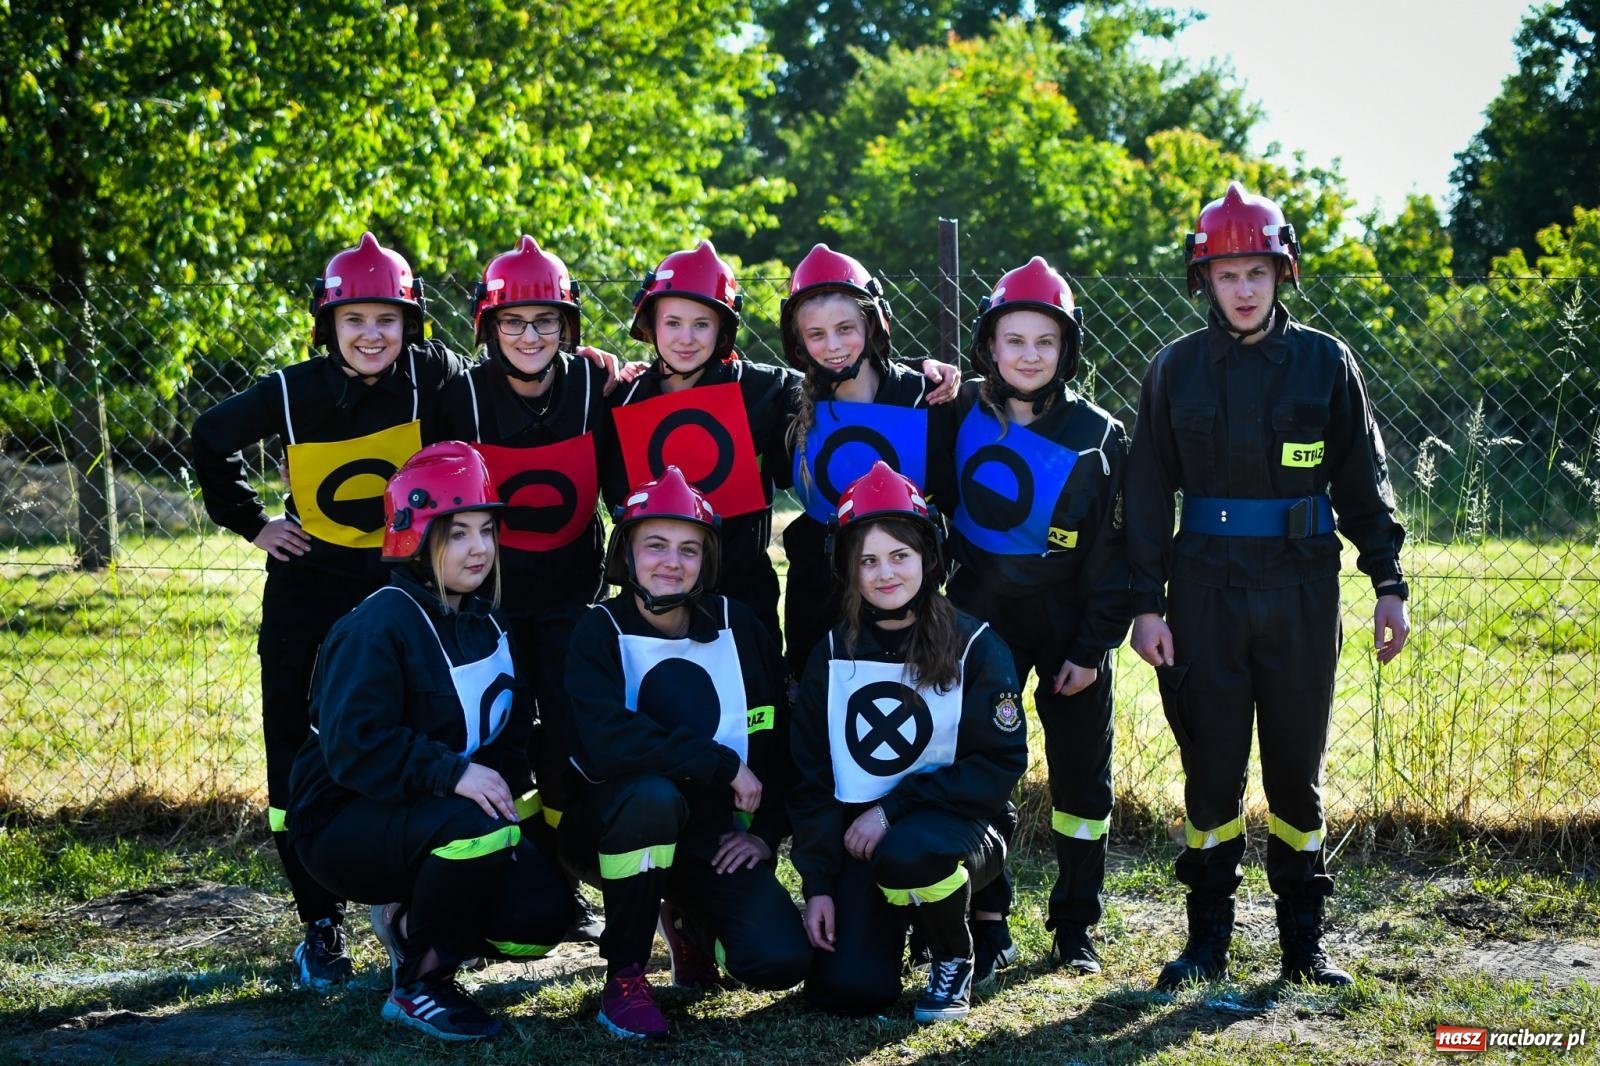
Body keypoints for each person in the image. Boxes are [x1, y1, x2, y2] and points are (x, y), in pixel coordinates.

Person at [1125, 182, 1411, 990]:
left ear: (1282, 272)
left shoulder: (1326, 362)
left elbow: (1364, 481)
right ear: (1204, 282)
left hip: (1301, 592)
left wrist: (1388, 582)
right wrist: (1145, 604)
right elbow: (1145, 494)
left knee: (1296, 771)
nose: (1243, 289)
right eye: (1227, 275)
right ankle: (1206, 942)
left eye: (1256, 272)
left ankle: (1302, 945)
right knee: (1211, 771)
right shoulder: (1174, 369)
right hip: (1203, 595)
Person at [191, 232, 468, 988]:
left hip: (398, 585)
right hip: (308, 585)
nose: (372, 335)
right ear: (328, 326)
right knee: (292, 737)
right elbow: (209, 437)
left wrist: (595, 366)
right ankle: (318, 921)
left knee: (416, 727)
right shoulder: (291, 390)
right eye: (354, 320)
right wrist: (253, 522)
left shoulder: (432, 375)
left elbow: (502, 380)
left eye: (387, 319)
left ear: (410, 323)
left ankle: (412, 902)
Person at [286, 442, 574, 1042]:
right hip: (342, 818)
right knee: (477, 831)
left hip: (431, 812)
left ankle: (409, 920)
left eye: (486, 530)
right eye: (458, 533)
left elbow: (503, 747)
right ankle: (420, 986)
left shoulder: (487, 619)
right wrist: (453, 774)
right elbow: (356, 746)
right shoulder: (379, 623)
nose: (479, 548)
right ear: (415, 537)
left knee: (541, 918)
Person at [561, 466, 810, 1040]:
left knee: (779, 961)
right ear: (627, 553)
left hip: (710, 840)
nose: (671, 562)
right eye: (656, 545)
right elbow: (607, 740)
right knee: (651, 796)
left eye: (689, 549)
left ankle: (686, 921)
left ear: (707, 561)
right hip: (609, 828)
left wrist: (764, 834)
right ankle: (624, 977)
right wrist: (719, 764)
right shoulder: (596, 630)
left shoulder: (740, 626)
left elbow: (777, 740)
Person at [945, 256, 1131, 977]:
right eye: (1014, 340)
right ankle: (984, 922)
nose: (1029, 355)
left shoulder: (1099, 434)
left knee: (1082, 780)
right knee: (975, 765)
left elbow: (1114, 556)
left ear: (1067, 349)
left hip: (1068, 624)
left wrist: (1092, 647)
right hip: (977, 615)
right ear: (989, 346)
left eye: (1045, 341)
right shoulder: (956, 408)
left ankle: (1075, 924)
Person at [789, 461, 1027, 1023]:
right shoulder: (831, 653)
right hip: (863, 841)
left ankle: (953, 954)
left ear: (928, 558)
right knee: (847, 991)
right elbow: (811, 776)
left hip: (959, 826)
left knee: (911, 851)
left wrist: (892, 810)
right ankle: (909, 922)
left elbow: (999, 763)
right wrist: (819, 884)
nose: (885, 574)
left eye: (900, 556)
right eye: (868, 560)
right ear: (847, 568)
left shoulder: (977, 646)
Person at [439, 236, 625, 904]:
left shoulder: (596, 385)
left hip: (575, 599)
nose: (529, 335)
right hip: (491, 609)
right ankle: (518, 884)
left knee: (573, 741)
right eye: (513, 321)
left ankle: (575, 877)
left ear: (568, 326)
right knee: (502, 738)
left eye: (546, 320)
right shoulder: (458, 397)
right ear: (488, 328)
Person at [606, 240, 800, 649]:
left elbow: (839, 380)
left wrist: (918, 369)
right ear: (651, 325)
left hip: (743, 594)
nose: (686, 338)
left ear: (722, 330)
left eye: (701, 324)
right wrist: (589, 357)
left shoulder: (762, 389)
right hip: (650, 601)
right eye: (673, 322)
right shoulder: (623, 398)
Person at [779, 243, 959, 680]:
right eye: (816, 334)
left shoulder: (926, 399)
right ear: (799, 342)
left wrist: (925, 367)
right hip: (818, 590)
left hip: (905, 588)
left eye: (846, 328)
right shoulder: (786, 404)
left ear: (873, 325)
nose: (833, 346)